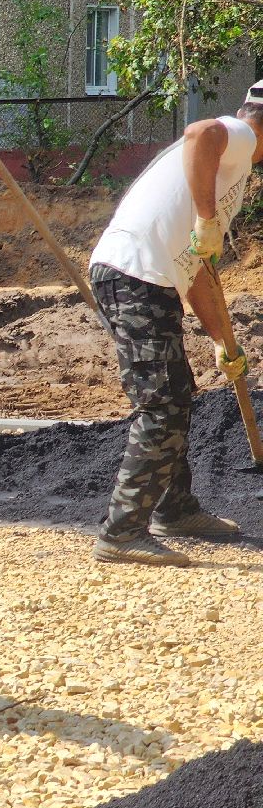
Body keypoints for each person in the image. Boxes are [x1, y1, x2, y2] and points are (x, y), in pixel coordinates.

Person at [87, 80, 263, 566]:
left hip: (150, 276)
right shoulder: (239, 137)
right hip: (133, 273)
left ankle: (175, 509)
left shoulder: (230, 167)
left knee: (176, 390)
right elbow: (200, 130)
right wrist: (208, 217)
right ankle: (121, 533)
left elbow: (199, 270)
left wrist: (223, 341)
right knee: (162, 401)